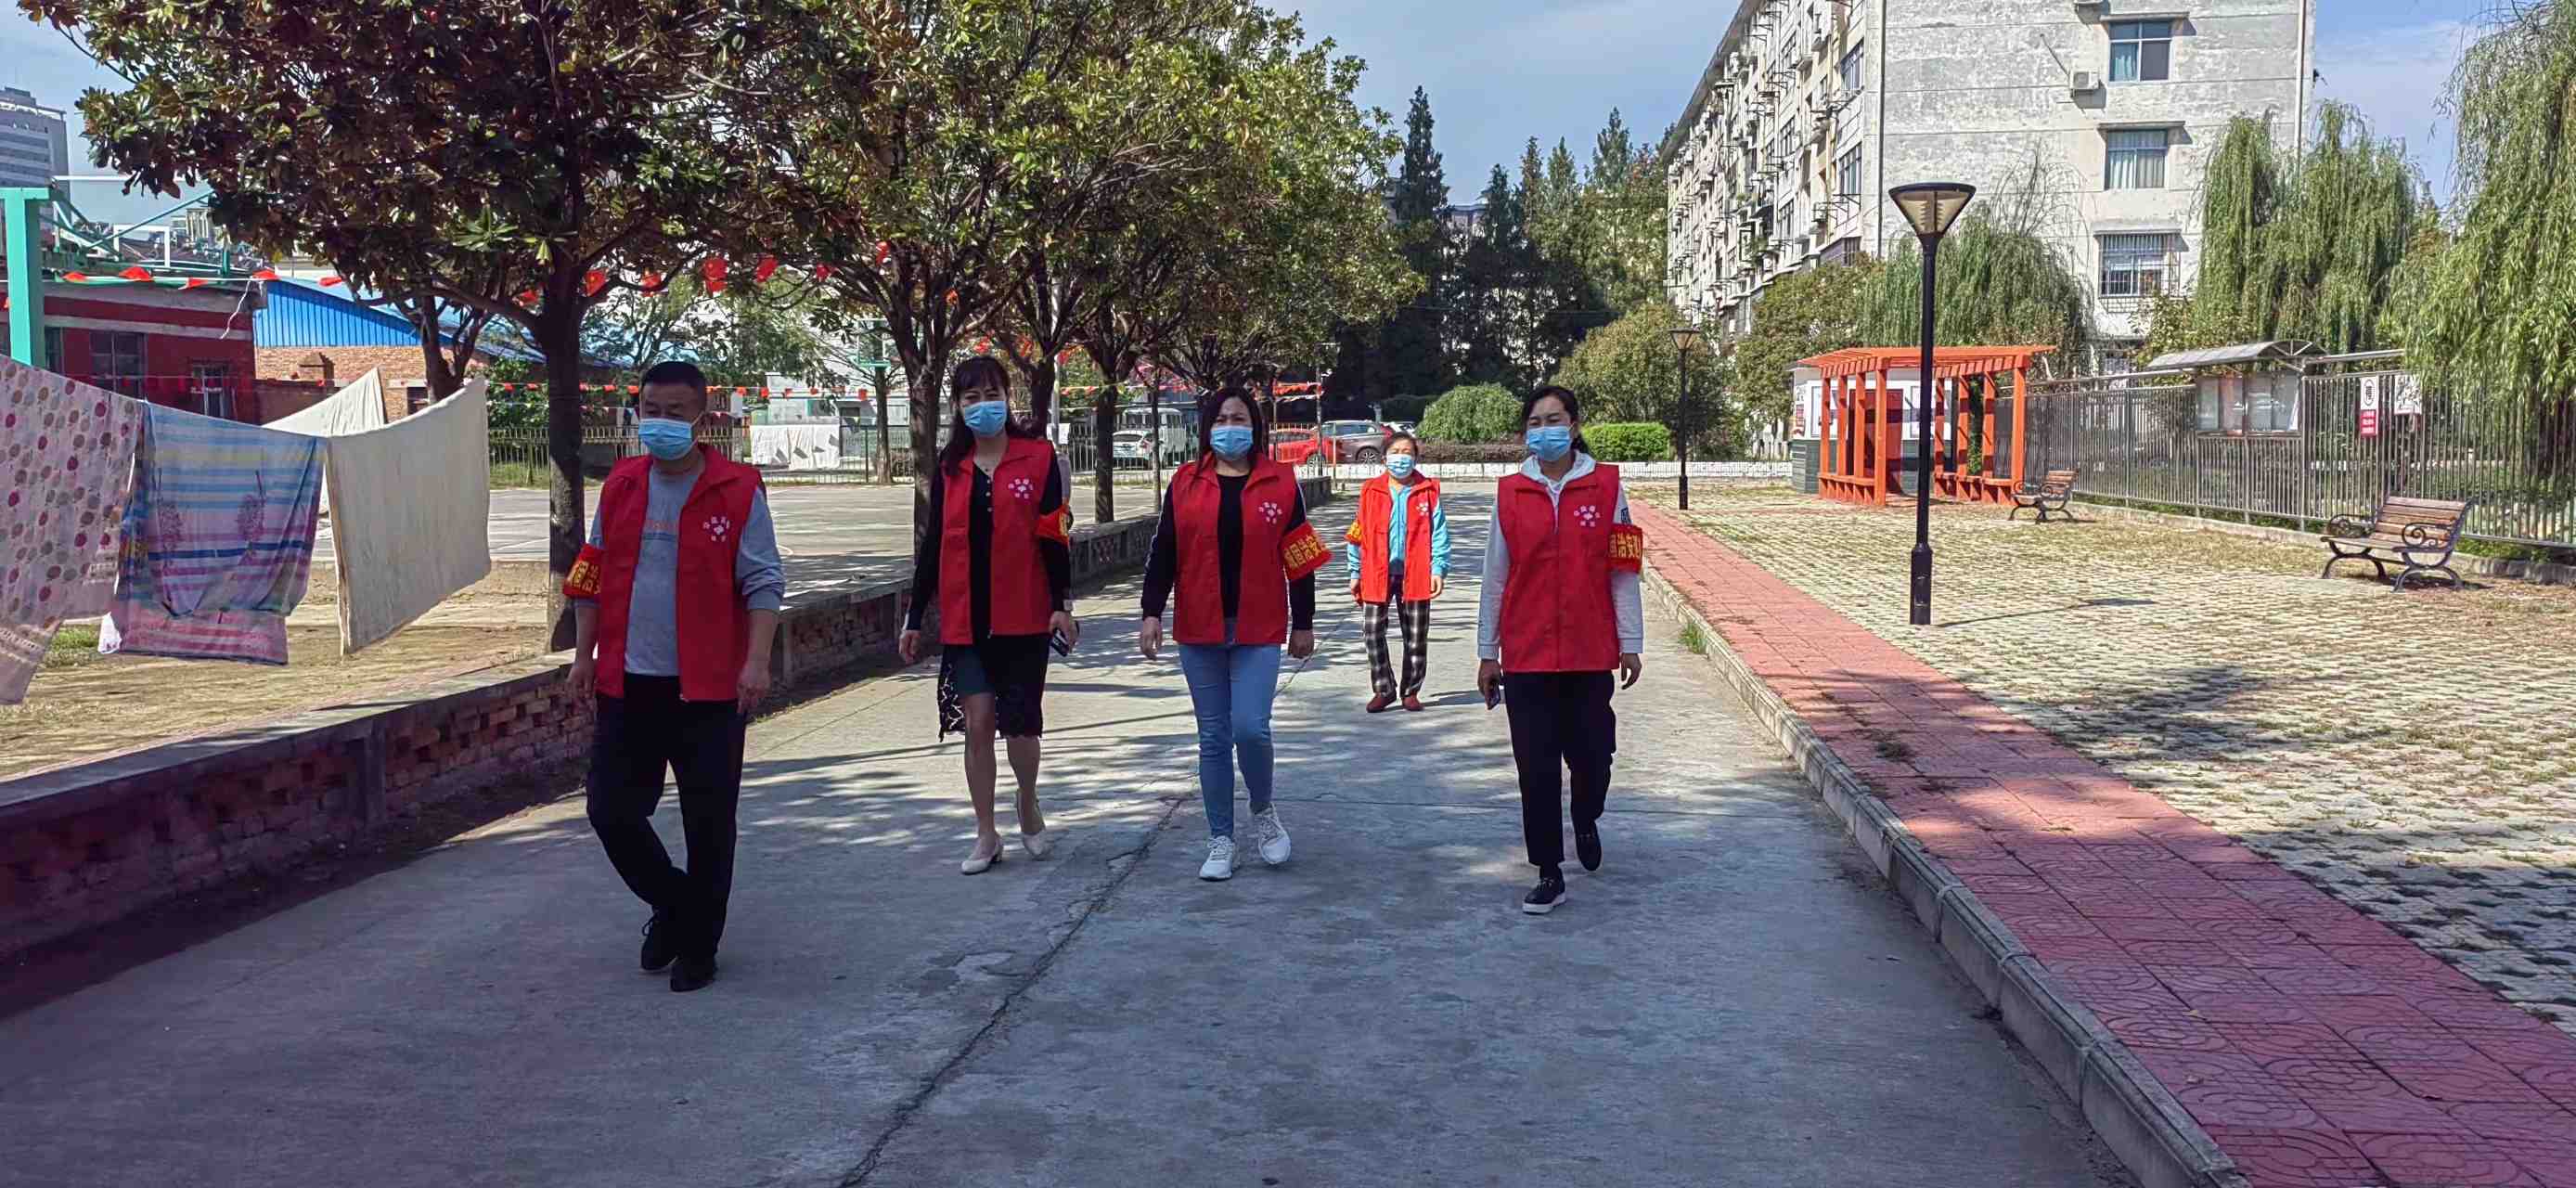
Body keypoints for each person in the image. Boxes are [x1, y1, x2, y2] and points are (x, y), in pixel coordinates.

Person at [568, 360, 785, 992]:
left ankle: (699, 946)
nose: (660, 422)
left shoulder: (737, 490)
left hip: (709, 689)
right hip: (628, 682)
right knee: (611, 811)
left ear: (702, 419)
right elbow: (590, 573)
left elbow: (764, 580)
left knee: (708, 823)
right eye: (651, 410)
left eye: (675, 412)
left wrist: (757, 661)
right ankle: (675, 903)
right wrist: (584, 655)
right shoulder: (622, 484)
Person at [1139, 388, 1329, 882]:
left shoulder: (1280, 482)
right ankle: (1221, 837)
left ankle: (1262, 811)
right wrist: (1151, 612)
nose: (1230, 427)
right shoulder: (1185, 482)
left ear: (1255, 426)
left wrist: (1304, 622)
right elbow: (1164, 550)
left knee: (1250, 727)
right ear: (1207, 427)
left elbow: (1301, 556)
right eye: (1221, 419)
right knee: (1213, 737)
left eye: (1239, 418)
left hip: (1258, 626)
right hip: (1199, 626)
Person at [900, 357, 1079, 875]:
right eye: (971, 397)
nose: (983, 406)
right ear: (958, 407)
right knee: (978, 723)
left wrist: (1062, 605)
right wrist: (914, 616)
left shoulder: (1039, 458)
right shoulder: (951, 467)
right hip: (966, 620)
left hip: (1024, 616)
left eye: (991, 394)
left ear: (1008, 397)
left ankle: (1027, 799)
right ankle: (985, 832)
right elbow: (933, 545)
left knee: (1020, 728)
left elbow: (1055, 537)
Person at [1475, 385, 1645, 917]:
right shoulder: (1510, 493)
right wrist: (1487, 651)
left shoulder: (1607, 486)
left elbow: (1623, 570)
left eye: (1554, 419)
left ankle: (1586, 814)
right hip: (1526, 653)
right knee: (1536, 766)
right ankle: (1548, 870)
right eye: (1535, 422)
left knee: (1593, 757)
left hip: (1590, 649)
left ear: (1573, 426)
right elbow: (1495, 576)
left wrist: (1631, 642)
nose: (1544, 430)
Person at [1343, 432, 1449, 713]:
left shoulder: (1427, 490)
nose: (1401, 458)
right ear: (1384, 457)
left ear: (1415, 458)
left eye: (1407, 452)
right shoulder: (1370, 490)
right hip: (1375, 571)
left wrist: (1438, 568)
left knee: (1415, 634)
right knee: (1371, 631)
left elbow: (1439, 532)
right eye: (1395, 452)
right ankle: (1384, 688)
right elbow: (1357, 532)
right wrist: (1355, 571)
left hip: (1416, 572)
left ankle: (1411, 690)